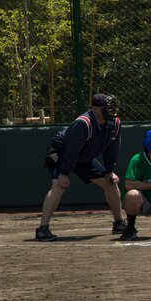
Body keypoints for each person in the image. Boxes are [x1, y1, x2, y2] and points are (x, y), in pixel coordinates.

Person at [35, 93, 124, 241]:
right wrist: (64, 172)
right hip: (63, 153)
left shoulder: (114, 123)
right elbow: (72, 149)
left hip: (83, 157)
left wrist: (109, 171)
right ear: (95, 108)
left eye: (114, 107)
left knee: (110, 182)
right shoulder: (83, 123)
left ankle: (119, 223)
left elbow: (113, 147)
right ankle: (42, 229)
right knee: (59, 185)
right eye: (108, 108)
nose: (112, 111)